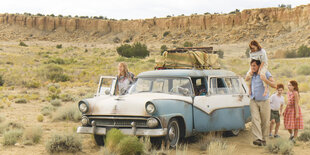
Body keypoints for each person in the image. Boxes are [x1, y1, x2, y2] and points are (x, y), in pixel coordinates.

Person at [245, 59, 276, 146]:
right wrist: (250, 73)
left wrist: (265, 79)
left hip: (264, 101)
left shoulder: (265, 72)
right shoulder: (251, 73)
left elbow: (274, 85)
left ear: (259, 66)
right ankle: (257, 139)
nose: (252, 67)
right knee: (255, 120)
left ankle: (264, 139)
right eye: (251, 66)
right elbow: (246, 79)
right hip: (253, 100)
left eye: (254, 66)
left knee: (265, 121)